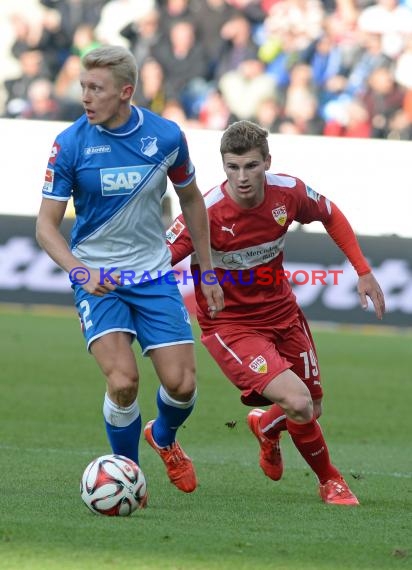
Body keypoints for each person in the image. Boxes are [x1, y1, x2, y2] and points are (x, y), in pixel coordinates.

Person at [35, 45, 224, 499]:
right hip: (99, 280)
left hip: (153, 276)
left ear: (126, 92)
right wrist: (79, 272)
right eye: (83, 86)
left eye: (95, 88)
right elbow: (45, 226)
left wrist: (208, 268)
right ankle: (130, 477)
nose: (85, 96)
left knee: (182, 385)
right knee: (122, 381)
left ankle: (164, 437)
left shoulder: (165, 137)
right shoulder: (71, 143)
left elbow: (193, 199)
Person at [166, 120, 385, 506]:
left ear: (267, 161)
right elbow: (157, 259)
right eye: (232, 167)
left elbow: (330, 214)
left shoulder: (289, 193)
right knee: (299, 404)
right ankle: (330, 481)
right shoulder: (207, 211)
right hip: (231, 326)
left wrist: (363, 271)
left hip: (283, 314)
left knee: (311, 407)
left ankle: (266, 426)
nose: (242, 177)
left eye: (251, 166)